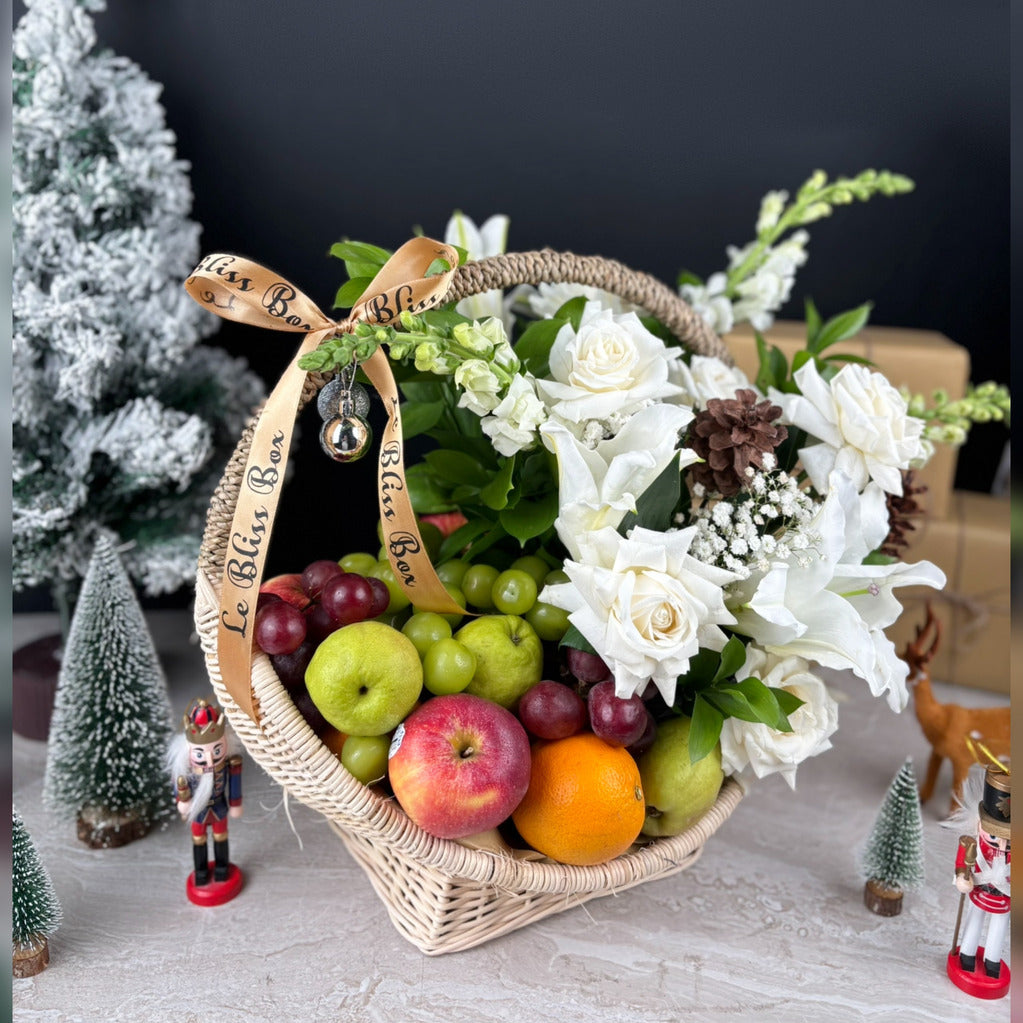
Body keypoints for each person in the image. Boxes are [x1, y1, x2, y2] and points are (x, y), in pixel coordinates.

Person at [166, 697, 243, 887]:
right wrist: (182, 800)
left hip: (219, 807)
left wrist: (235, 803)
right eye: (200, 754)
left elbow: (235, 783)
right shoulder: (186, 771)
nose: (209, 760)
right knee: (198, 840)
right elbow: (180, 784)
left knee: (221, 837)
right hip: (198, 811)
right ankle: (200, 871)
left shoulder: (228, 765)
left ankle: (222, 868)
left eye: (216, 751)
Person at [952, 762, 1010, 979]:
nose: (1002, 845)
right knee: (974, 919)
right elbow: (962, 863)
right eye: (995, 835)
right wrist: (961, 877)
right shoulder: (974, 845)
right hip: (980, 891)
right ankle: (966, 954)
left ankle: (993, 962)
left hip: (1005, 898)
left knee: (999, 927)